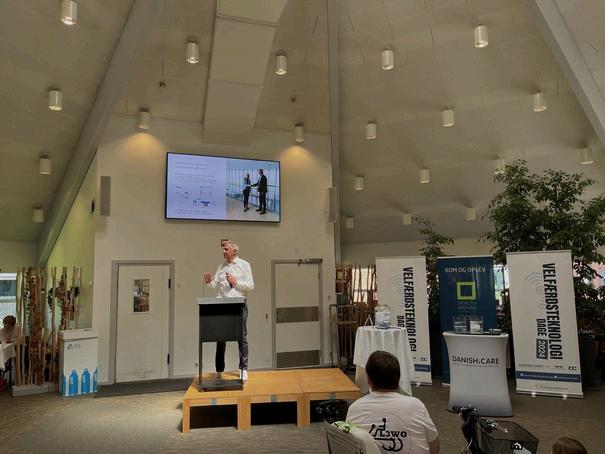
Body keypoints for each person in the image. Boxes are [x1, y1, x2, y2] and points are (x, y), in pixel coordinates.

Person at [346, 351, 440, 454]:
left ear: (369, 380)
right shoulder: (417, 406)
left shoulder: (355, 408)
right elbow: (434, 446)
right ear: (398, 378)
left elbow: (349, 448)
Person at [203, 241, 254, 381]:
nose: (223, 252)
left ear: (234, 251)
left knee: (241, 338)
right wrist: (208, 282)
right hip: (222, 305)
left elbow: (250, 286)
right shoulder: (221, 267)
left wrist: (235, 281)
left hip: (239, 305)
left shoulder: (244, 265)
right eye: (223, 250)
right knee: (220, 338)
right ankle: (219, 370)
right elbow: (214, 285)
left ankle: (243, 369)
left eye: (226, 249)